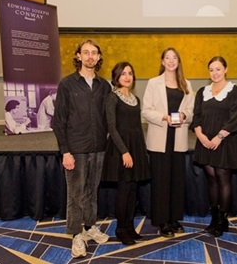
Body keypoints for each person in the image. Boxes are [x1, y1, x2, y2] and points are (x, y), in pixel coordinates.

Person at [52, 39, 112, 258]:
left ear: (98, 57)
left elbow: (109, 118)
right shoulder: (67, 84)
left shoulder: (104, 86)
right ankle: (76, 234)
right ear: (78, 56)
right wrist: (65, 151)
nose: (89, 56)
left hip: (99, 148)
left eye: (93, 53)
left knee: (91, 192)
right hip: (75, 149)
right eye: (85, 52)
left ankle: (90, 227)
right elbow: (58, 121)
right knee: (75, 194)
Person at [141, 47, 195, 238]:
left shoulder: (186, 84)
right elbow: (145, 111)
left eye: (175, 58)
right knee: (161, 182)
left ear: (178, 62)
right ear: (162, 61)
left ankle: (174, 219)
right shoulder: (153, 83)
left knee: (177, 182)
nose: (171, 61)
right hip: (159, 139)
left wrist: (183, 115)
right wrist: (163, 117)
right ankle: (162, 221)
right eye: (167, 58)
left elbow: (191, 111)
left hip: (178, 139)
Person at [191, 56, 237, 238]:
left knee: (223, 179)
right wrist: (200, 135)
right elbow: (196, 115)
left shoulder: (235, 91)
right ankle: (214, 219)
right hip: (205, 141)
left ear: (225, 69)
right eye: (211, 70)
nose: (215, 73)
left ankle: (223, 220)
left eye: (218, 69)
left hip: (225, 141)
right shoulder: (202, 92)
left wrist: (219, 137)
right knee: (211, 179)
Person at [102, 62, 150, 245]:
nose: (127, 77)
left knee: (132, 191)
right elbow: (112, 129)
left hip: (135, 148)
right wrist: (125, 152)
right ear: (117, 77)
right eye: (123, 74)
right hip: (120, 150)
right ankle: (121, 229)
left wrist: (140, 150)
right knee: (123, 191)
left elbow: (137, 127)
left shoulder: (135, 99)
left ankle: (130, 226)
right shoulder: (112, 98)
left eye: (130, 73)